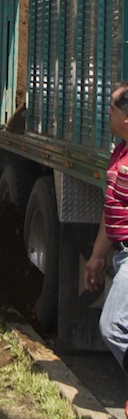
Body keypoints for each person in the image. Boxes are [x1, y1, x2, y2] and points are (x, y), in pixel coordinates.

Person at [84, 81, 128, 372]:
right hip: (119, 253)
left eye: (111, 109)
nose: (107, 115)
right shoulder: (120, 152)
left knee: (112, 326)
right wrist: (98, 256)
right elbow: (111, 207)